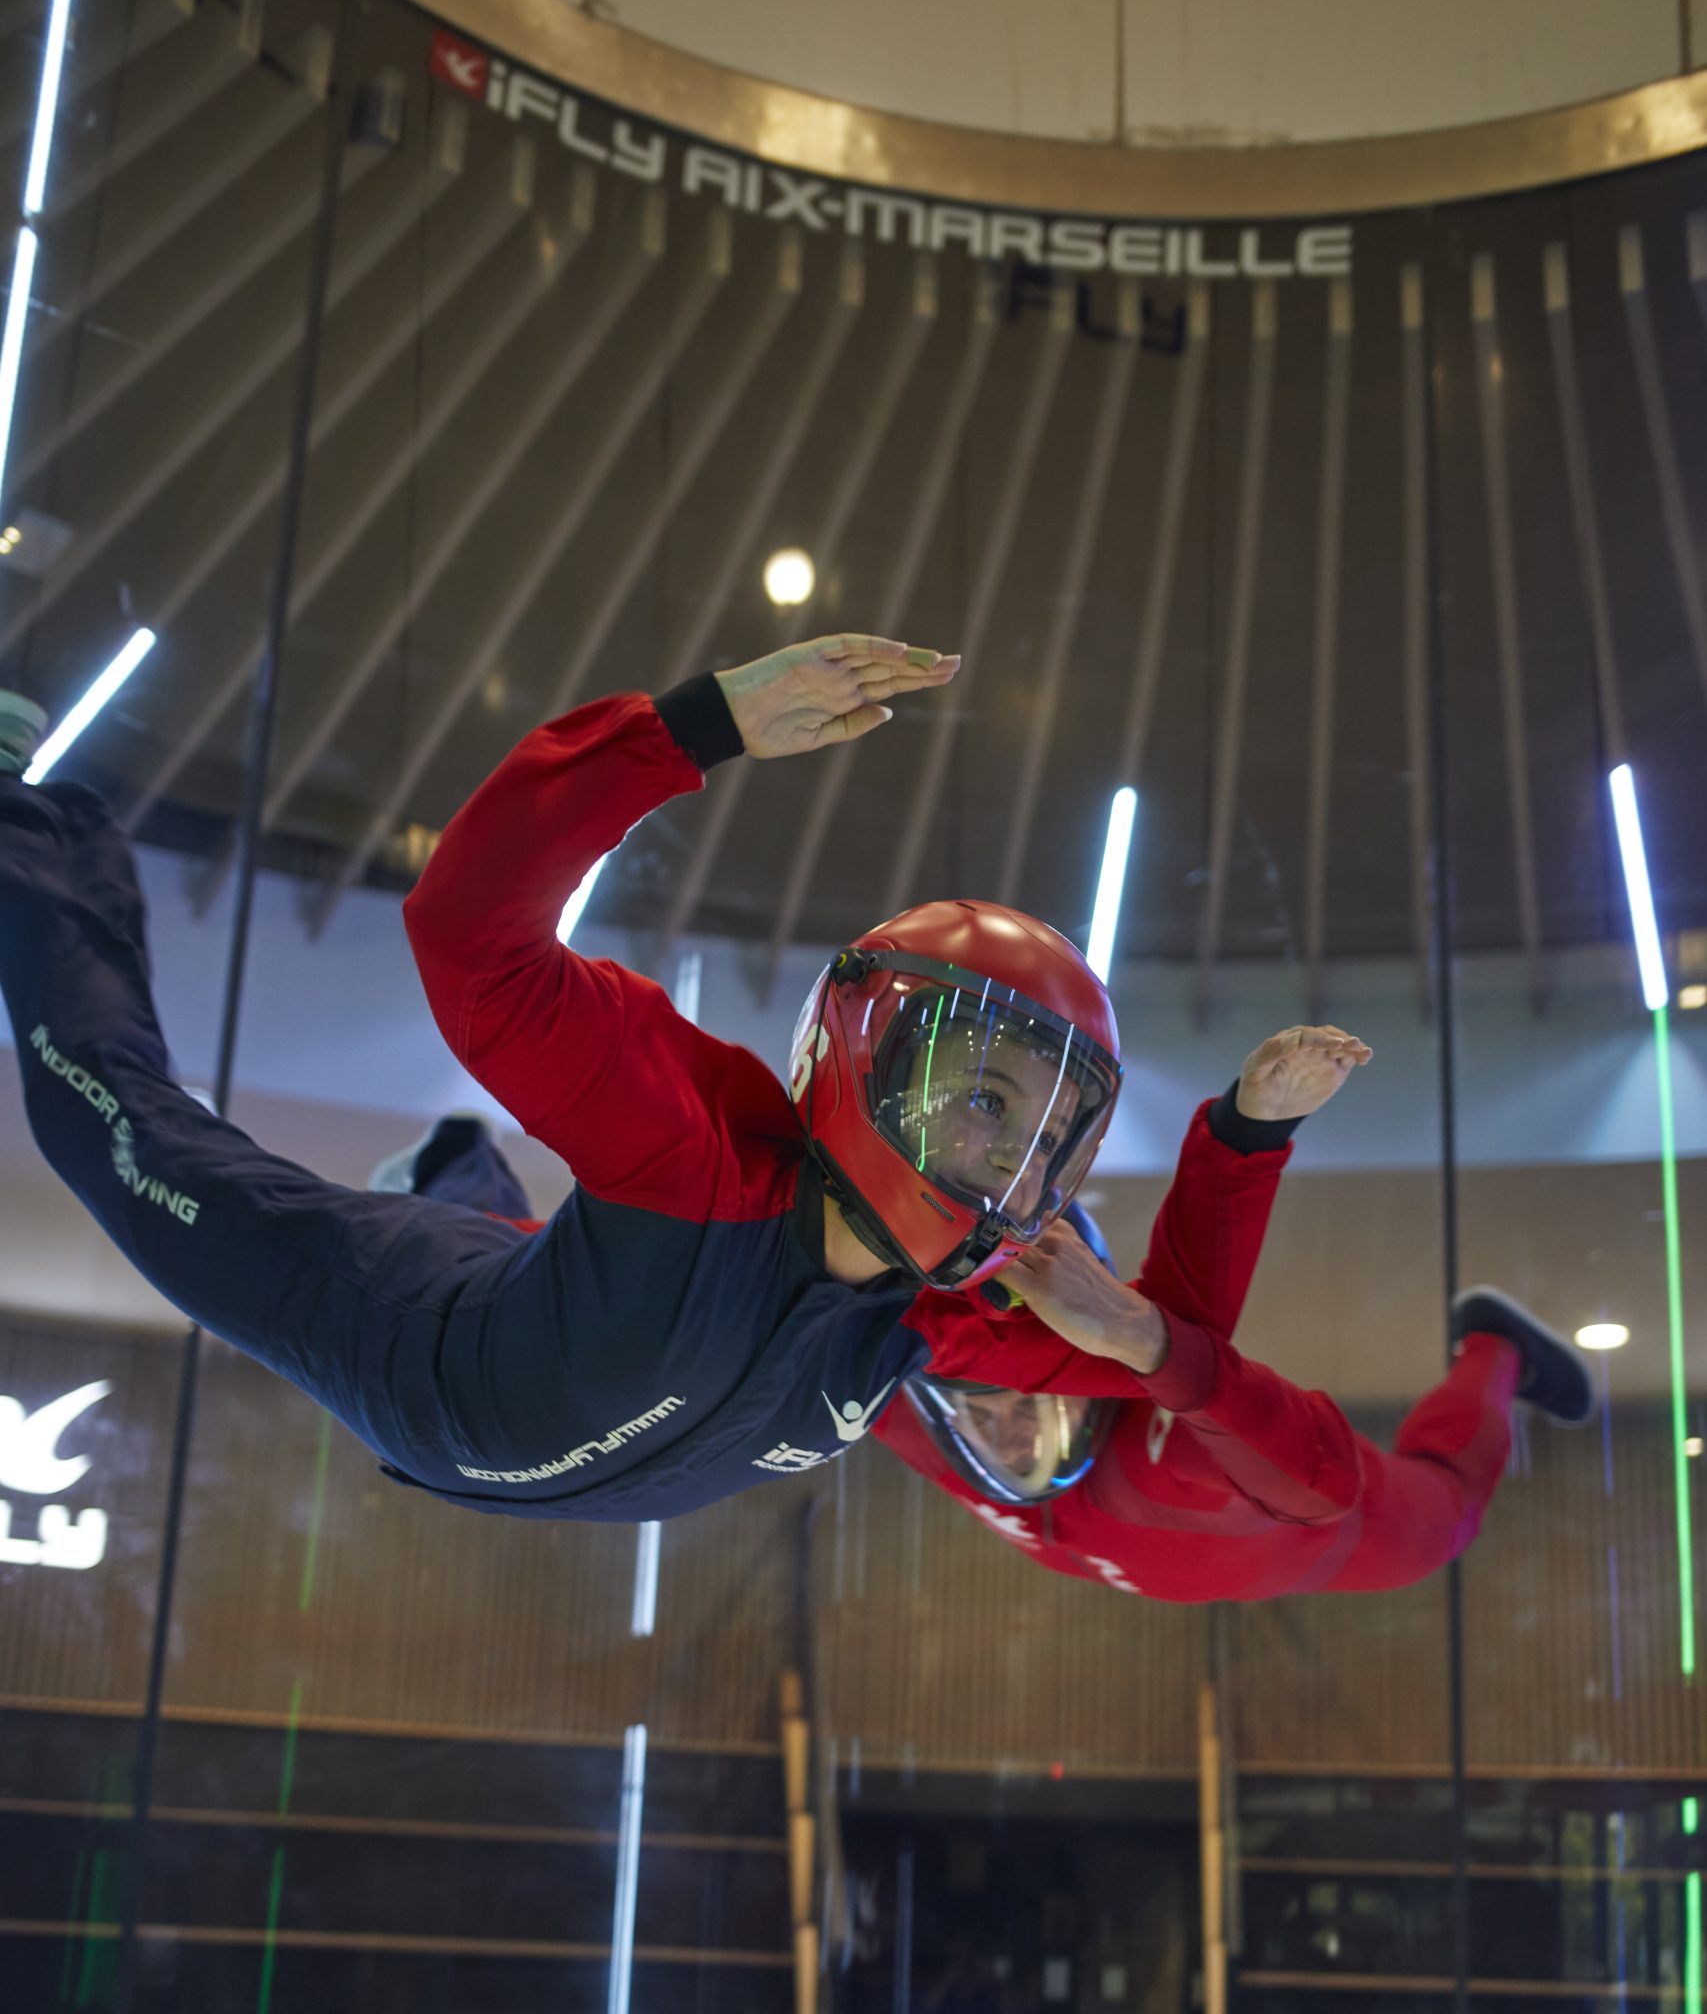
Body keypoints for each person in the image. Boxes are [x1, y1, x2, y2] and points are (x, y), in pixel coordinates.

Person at [0, 636, 1173, 1538]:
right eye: (986, 1100)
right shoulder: (697, 1152)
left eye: (1046, 1140)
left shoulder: (933, 1321)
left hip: (535, 1325)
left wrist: (1166, 1287)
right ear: (870, 1055)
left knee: (534, 1246)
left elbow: (1216, 1385)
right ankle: (33, 821)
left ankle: (453, 1174)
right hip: (395, 1333)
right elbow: (471, 932)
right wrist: (685, 730)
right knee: (114, 1134)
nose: (1012, 1167)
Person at [875, 1025, 1595, 1603]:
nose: (1012, 1432)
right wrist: (1244, 1133)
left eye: (1027, 1396)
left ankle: (1494, 1348)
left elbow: (1325, 1487)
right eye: (974, 1408)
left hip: (1321, 1541)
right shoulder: (889, 1389)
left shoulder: (1166, 1451)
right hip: (1189, 1533)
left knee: (1446, 1517)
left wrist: (1150, 1340)